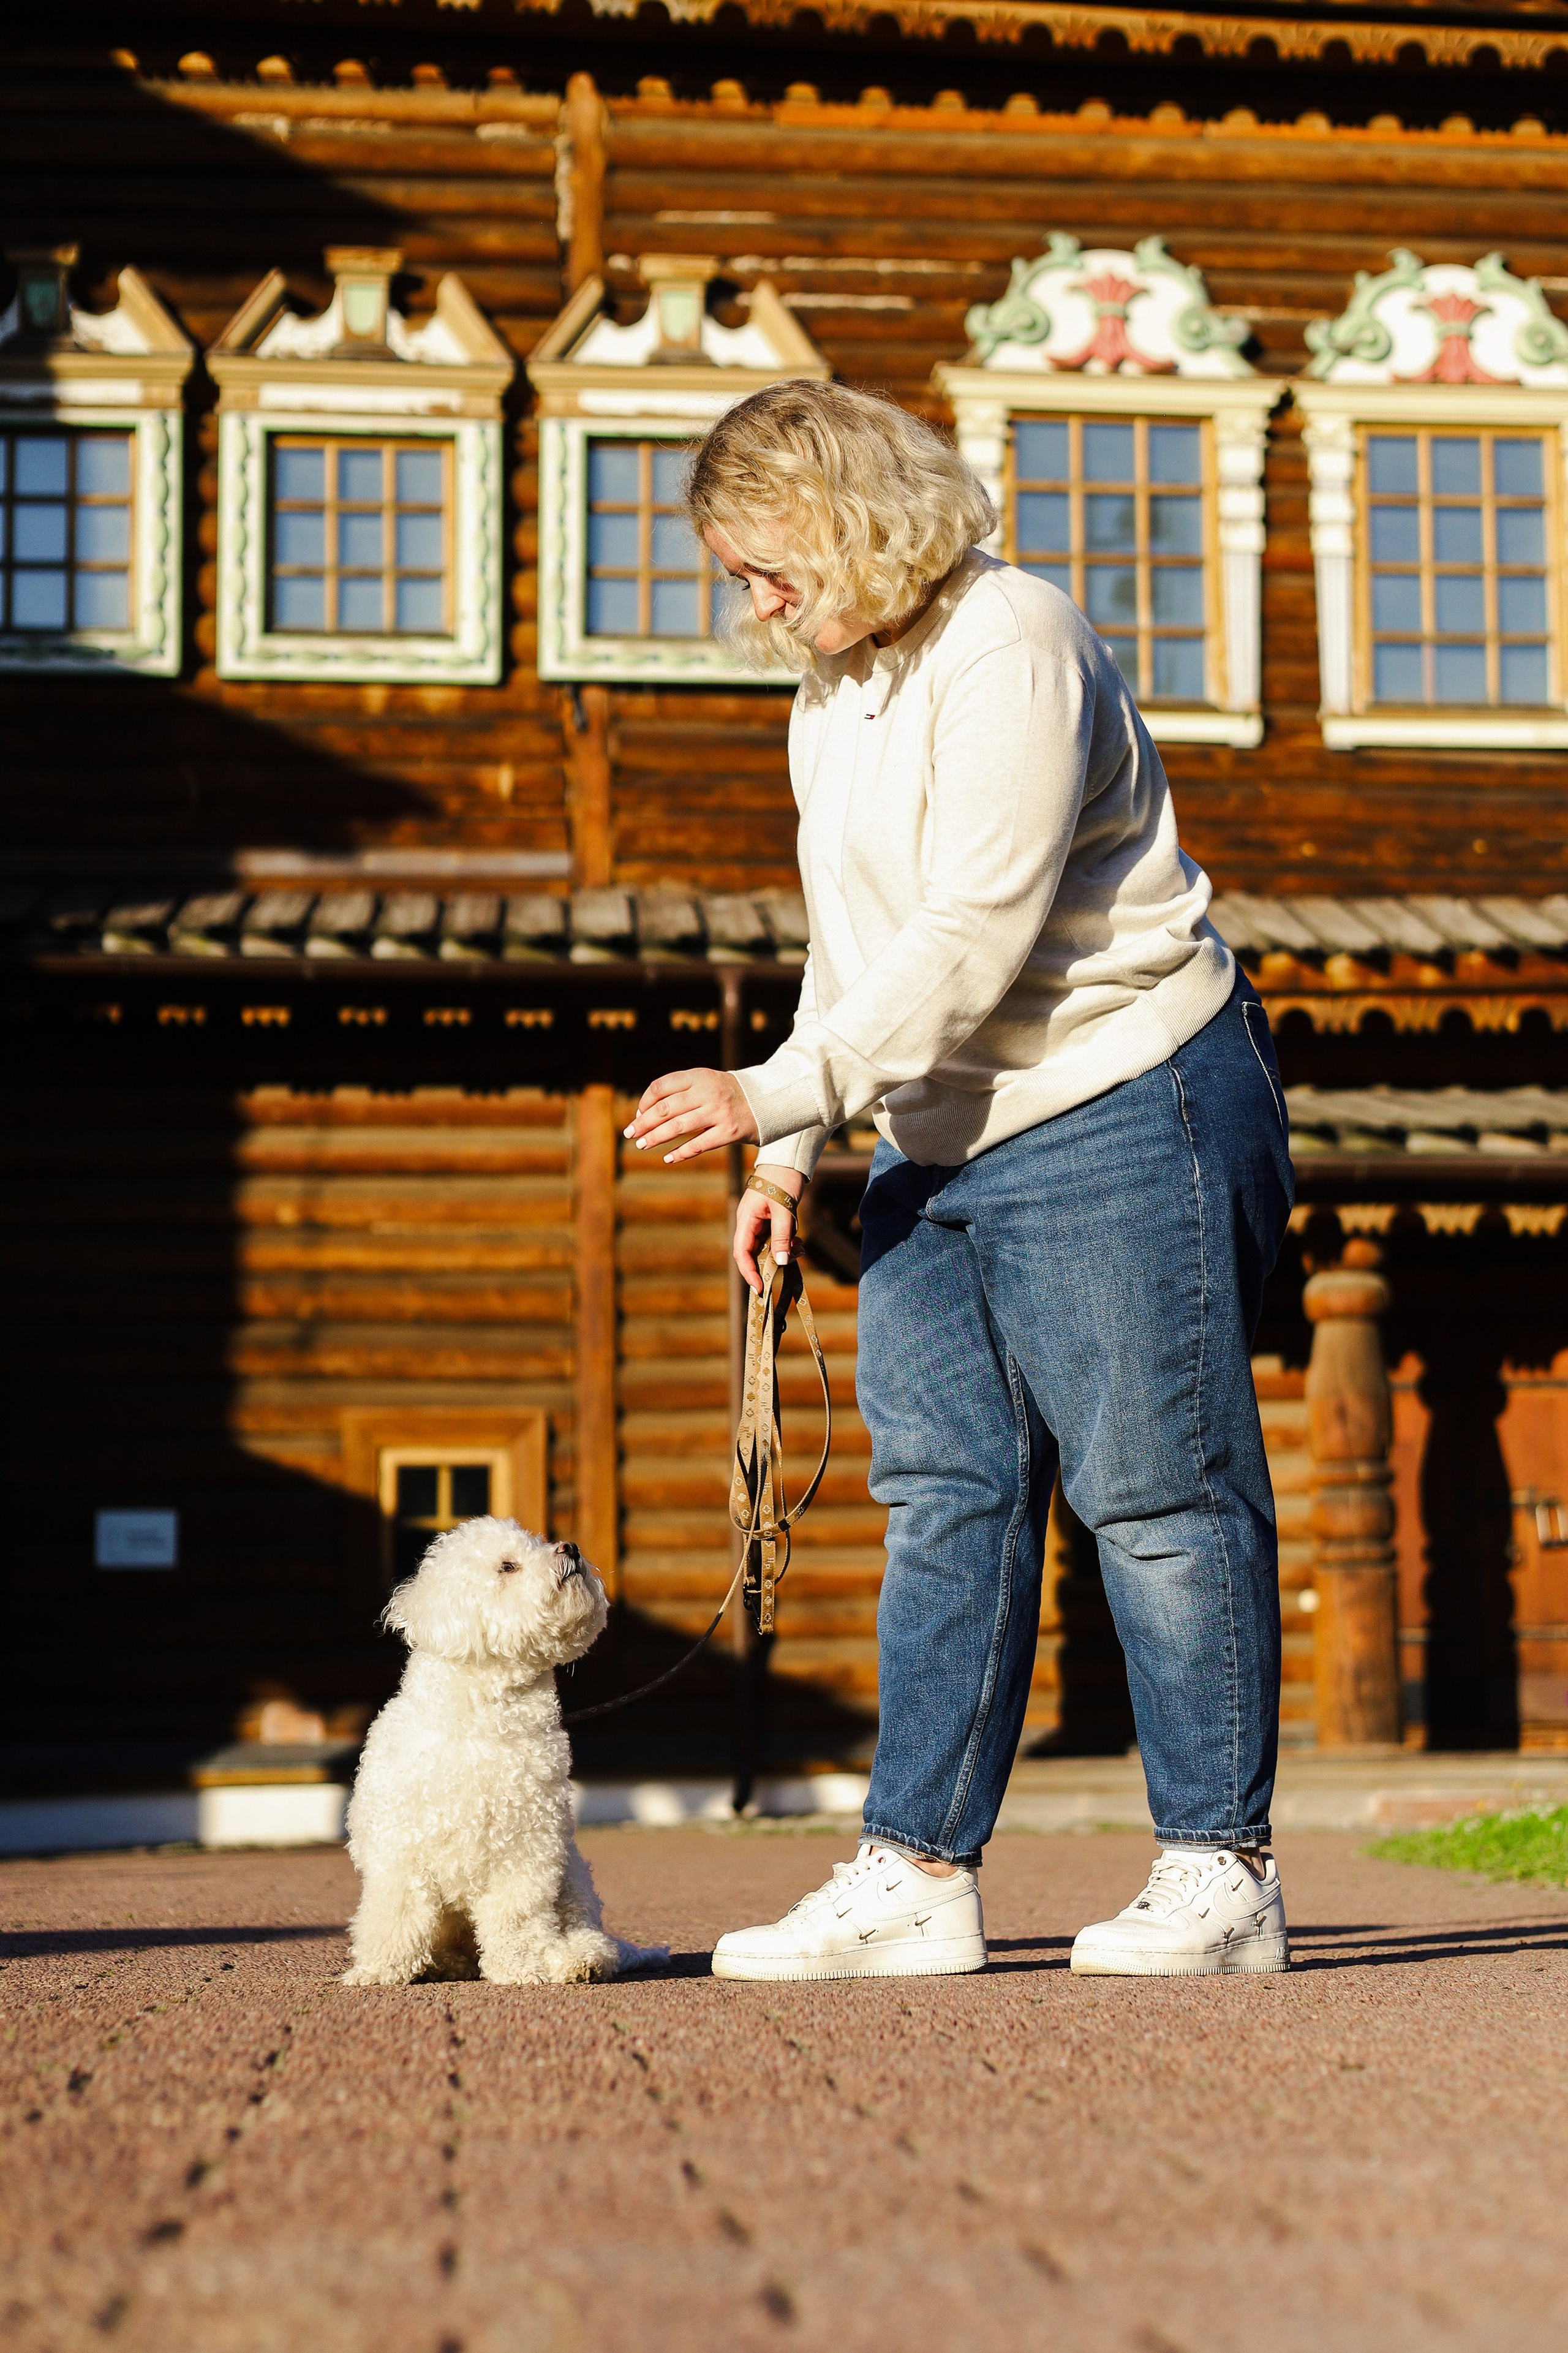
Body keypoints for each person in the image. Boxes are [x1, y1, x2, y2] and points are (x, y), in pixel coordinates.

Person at [625, 380, 1294, 1982]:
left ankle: (1223, 1870)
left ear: (854, 516)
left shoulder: (1015, 640)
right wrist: (787, 1153)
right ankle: (917, 1869)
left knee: (1157, 1488)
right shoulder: (830, 694)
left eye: (768, 566)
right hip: (932, 1133)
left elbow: (976, 929)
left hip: (1117, 1087)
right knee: (946, 1498)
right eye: (737, 576)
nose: (755, 604)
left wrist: (770, 1090)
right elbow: (853, 949)